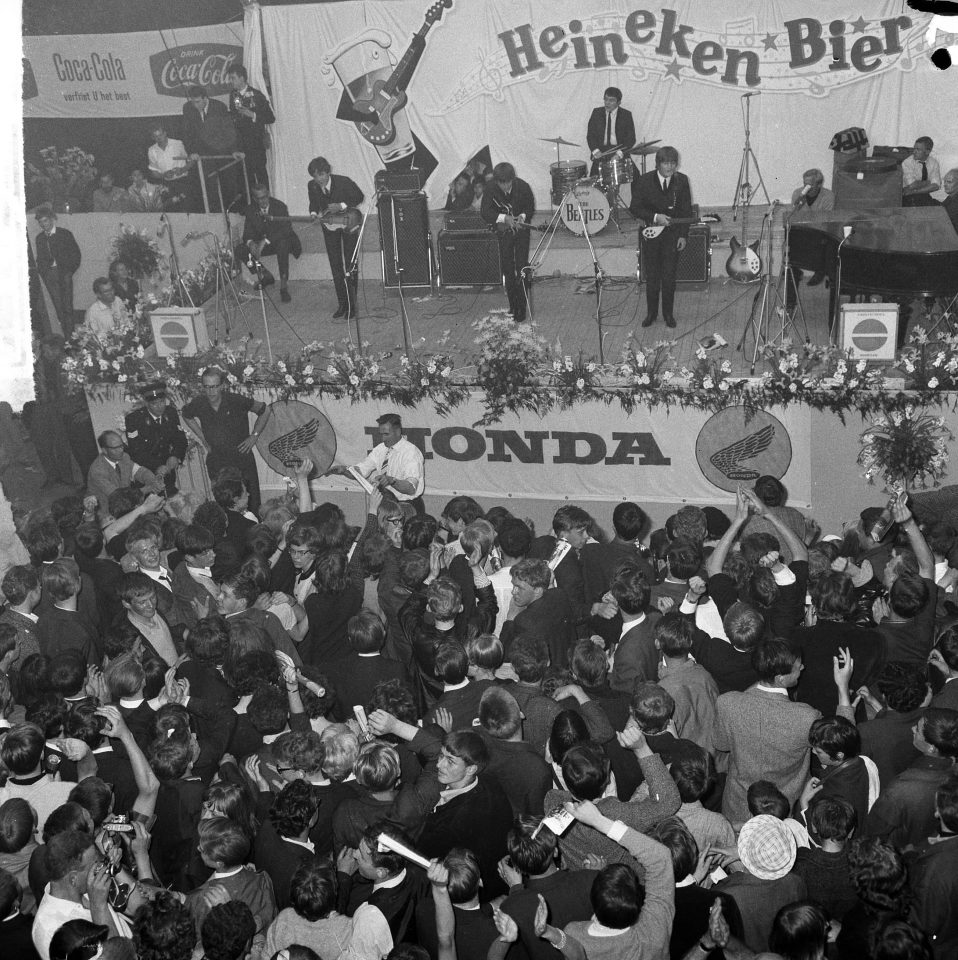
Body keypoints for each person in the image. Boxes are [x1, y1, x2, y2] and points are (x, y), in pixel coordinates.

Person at [181, 367, 270, 515]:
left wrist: (254, 436)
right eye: (207, 387)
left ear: (222, 385)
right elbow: (186, 415)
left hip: (242, 460)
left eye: (215, 386)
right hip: (218, 462)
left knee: (251, 505)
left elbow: (265, 411)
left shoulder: (235, 400)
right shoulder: (199, 403)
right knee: (224, 507)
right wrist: (202, 437)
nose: (211, 392)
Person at [630, 145, 693, 329]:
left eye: (673, 163)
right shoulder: (644, 181)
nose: (670, 167)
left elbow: (685, 210)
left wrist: (683, 235)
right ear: (658, 164)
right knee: (652, 277)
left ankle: (668, 314)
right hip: (651, 235)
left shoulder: (682, 181)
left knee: (668, 276)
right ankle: (651, 313)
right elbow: (635, 208)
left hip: (672, 236)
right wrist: (656, 217)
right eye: (666, 163)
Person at [306, 156, 364, 320]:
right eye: (315, 176)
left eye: (322, 175)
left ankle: (352, 306)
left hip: (348, 224)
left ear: (328, 172)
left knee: (350, 265)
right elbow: (313, 203)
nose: (319, 179)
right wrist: (313, 214)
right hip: (329, 227)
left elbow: (359, 197)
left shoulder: (343, 181)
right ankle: (342, 304)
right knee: (335, 266)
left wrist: (342, 205)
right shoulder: (313, 186)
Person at [328, 413, 425, 509]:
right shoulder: (380, 449)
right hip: (387, 504)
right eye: (381, 434)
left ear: (398, 432)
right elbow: (361, 471)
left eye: (386, 434)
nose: (383, 438)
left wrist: (391, 480)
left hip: (407, 506)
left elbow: (411, 488)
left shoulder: (411, 452)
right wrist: (345, 471)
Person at [480, 162, 535, 324]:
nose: (505, 188)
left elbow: (530, 207)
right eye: (501, 184)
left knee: (522, 267)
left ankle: (522, 308)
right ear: (496, 181)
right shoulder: (490, 188)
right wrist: (504, 218)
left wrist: (522, 218)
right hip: (503, 232)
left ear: (513, 179)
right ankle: (513, 305)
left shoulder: (523, 186)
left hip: (521, 232)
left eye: (508, 183)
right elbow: (485, 212)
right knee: (508, 269)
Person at [181, 85, 242, 212]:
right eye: (192, 102)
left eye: (197, 102)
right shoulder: (187, 108)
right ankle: (215, 216)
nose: (195, 105)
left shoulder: (219, 107)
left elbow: (229, 131)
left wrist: (233, 150)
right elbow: (187, 133)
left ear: (205, 98)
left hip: (222, 151)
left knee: (229, 187)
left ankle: (233, 214)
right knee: (209, 189)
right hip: (203, 155)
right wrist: (192, 152)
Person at [124, 382, 188, 497]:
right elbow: (136, 451)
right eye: (154, 403)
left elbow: (180, 439)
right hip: (146, 474)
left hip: (167, 471)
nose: (160, 406)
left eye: (162, 401)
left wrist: (175, 456)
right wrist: (157, 466)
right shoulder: (134, 419)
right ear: (147, 403)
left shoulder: (171, 413)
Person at [241, 183, 301, 303]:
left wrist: (266, 241)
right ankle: (266, 275)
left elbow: (286, 230)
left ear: (268, 194)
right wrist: (251, 243)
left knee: (282, 244)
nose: (263, 201)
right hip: (263, 244)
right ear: (254, 199)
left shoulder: (280, 206)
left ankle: (283, 286)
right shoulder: (250, 209)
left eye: (265, 197)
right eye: (259, 198)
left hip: (282, 241)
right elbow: (247, 233)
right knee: (240, 249)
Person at [86, 430, 163, 518]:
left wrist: (153, 481)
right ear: (104, 450)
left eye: (121, 446)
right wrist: (147, 489)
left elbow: (140, 471)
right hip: (106, 515)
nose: (121, 450)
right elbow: (119, 496)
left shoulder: (124, 457)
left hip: (127, 507)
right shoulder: (97, 470)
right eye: (116, 448)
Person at [33, 207, 81, 337]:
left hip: (64, 274)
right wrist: (44, 273)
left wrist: (69, 272)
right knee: (59, 308)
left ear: (52, 219)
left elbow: (76, 255)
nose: (43, 224)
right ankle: (66, 338)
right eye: (41, 222)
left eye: (46, 221)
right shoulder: (39, 238)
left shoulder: (65, 234)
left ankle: (72, 339)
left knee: (67, 307)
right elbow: (40, 259)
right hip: (50, 276)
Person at [227, 65, 275, 189]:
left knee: (261, 178)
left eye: (233, 78)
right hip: (241, 146)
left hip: (256, 145)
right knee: (246, 182)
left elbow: (270, 118)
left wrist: (253, 114)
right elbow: (234, 117)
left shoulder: (257, 95)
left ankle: (266, 206)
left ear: (242, 78)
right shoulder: (233, 95)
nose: (231, 81)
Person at [586, 86, 636, 176]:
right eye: (605, 99)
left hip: (619, 151)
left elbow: (631, 139)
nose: (607, 103)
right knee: (594, 180)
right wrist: (595, 151)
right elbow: (591, 135)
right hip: (601, 152)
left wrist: (619, 154)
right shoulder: (596, 113)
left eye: (611, 100)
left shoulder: (626, 115)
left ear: (619, 102)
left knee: (635, 177)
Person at [902, 136, 941, 207]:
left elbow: (936, 186)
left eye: (918, 149)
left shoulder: (934, 163)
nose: (914, 152)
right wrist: (928, 182)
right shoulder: (907, 162)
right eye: (914, 148)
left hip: (921, 195)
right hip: (907, 197)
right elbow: (912, 185)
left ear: (927, 151)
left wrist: (914, 191)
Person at [942, 167, 958, 235]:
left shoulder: (956, 200)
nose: (944, 185)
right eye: (944, 181)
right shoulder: (951, 197)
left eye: (949, 182)